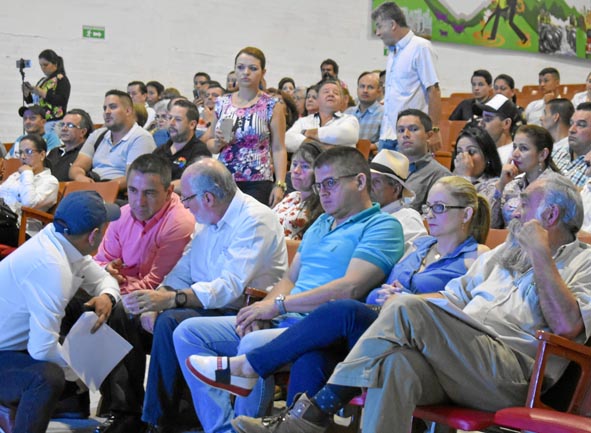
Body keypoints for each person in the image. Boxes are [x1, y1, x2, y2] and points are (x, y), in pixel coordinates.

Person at [229, 173, 591, 433]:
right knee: (395, 366)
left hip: (514, 373)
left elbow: (568, 327)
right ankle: (308, 416)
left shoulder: (583, 261)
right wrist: (403, 302)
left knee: (404, 308)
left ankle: (310, 414)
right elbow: (452, 298)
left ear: (551, 216)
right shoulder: (501, 255)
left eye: (525, 203)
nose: (514, 209)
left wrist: (541, 253)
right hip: (460, 360)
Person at [184, 175, 490, 427]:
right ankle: (293, 425)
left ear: (466, 214)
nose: (429, 215)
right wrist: (380, 294)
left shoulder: (476, 257)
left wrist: (408, 297)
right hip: (377, 333)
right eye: (427, 207)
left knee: (341, 311)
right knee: (312, 355)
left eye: (439, 208)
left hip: (416, 340)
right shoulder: (419, 248)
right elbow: (374, 291)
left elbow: (461, 306)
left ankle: (250, 367)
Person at [172, 147, 404, 433]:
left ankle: (240, 417)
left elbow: (350, 287)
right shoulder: (321, 223)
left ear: (359, 181)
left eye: (330, 183)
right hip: (285, 316)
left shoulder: (382, 226)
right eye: (318, 185)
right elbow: (289, 279)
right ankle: (222, 428)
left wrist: (279, 305)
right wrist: (259, 309)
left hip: (321, 325)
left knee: (252, 344)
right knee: (188, 332)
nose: (322, 193)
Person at [123, 157, 286, 433]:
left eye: (186, 198)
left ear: (207, 197)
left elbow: (229, 287)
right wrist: (160, 295)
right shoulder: (207, 218)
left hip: (247, 312)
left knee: (171, 320)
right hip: (210, 304)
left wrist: (173, 300)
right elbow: (183, 270)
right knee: (127, 313)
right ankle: (128, 410)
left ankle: (157, 421)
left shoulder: (255, 220)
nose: (183, 205)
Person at [0, 191, 121, 433]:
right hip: (6, 350)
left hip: (10, 344)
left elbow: (103, 279)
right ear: (94, 235)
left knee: (70, 344)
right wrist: (81, 374)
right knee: (47, 377)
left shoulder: (59, 239)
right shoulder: (52, 268)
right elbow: (42, 349)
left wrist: (108, 296)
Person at [91, 154, 195, 433]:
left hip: (167, 300)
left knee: (117, 311)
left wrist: (113, 289)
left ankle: (126, 410)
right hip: (131, 294)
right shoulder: (122, 215)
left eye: (149, 193)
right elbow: (101, 262)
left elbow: (157, 282)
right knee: (81, 305)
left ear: (169, 191)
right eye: (133, 191)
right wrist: (108, 277)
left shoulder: (179, 223)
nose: (139, 201)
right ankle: (74, 396)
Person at [206, 47, 287, 207]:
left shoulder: (272, 105)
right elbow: (210, 142)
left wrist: (280, 184)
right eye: (240, 67)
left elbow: (278, 148)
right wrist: (217, 143)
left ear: (263, 72)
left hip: (257, 180)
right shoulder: (222, 103)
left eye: (253, 68)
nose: (246, 72)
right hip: (224, 178)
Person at [372, 2, 442, 152]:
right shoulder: (393, 52)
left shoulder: (421, 47)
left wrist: (435, 130)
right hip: (388, 135)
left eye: (379, 26)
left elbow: (434, 90)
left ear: (392, 24)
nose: (377, 32)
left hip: (409, 137)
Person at [69, 90, 156, 193]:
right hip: (92, 189)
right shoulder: (98, 135)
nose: (107, 112)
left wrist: (101, 188)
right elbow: (77, 166)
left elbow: (132, 178)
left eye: (113, 107)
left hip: (118, 195)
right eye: (105, 108)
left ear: (128, 111)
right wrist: (80, 177)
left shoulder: (141, 138)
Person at [490, 124, 560, 228]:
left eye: (523, 148)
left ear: (542, 154)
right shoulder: (511, 185)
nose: (515, 154)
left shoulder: (556, 187)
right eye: (514, 147)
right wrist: (501, 185)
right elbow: (492, 225)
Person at [0, 134, 59, 245]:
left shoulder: (50, 181)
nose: (22, 157)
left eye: (28, 152)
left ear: (42, 155)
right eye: (20, 152)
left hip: (23, 231)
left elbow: (28, 203)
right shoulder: (16, 176)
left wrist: (27, 173)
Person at [369, 149, 426, 249]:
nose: (368, 187)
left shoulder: (409, 220)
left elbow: (414, 260)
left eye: (376, 182)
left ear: (396, 189)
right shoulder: (363, 213)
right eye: (368, 180)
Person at [395, 109, 451, 212]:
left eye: (413, 129)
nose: (405, 135)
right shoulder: (387, 168)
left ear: (429, 135)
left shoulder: (440, 175)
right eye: (401, 130)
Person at [286, 79, 359, 153]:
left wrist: (309, 133)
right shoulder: (303, 121)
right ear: (318, 99)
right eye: (326, 92)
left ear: (341, 100)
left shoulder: (350, 119)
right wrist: (320, 146)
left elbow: (344, 133)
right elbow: (287, 139)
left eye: (336, 93)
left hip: (338, 163)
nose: (331, 94)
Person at [153, 99, 211, 192]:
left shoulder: (200, 151)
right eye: (170, 118)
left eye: (178, 119)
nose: (171, 123)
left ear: (192, 124)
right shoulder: (160, 151)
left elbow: (193, 181)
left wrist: (156, 188)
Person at [273, 142, 324, 240]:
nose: (296, 170)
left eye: (305, 166)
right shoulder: (291, 196)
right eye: (295, 164)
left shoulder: (323, 204)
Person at [21, 49, 71, 133]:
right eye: (41, 65)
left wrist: (42, 92)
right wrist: (27, 94)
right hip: (40, 120)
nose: (43, 68)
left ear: (55, 64)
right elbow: (34, 102)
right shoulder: (43, 80)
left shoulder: (61, 79)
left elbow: (62, 100)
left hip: (53, 121)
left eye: (46, 65)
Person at [451, 125, 502, 204]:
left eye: (471, 152)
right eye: (459, 152)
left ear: (487, 156)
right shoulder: (450, 182)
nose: (464, 158)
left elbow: (469, 211)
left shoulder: (495, 186)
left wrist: (465, 176)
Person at [47, 109, 94, 181]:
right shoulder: (54, 152)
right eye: (62, 124)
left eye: (70, 125)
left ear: (83, 132)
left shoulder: (86, 154)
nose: (64, 129)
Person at [552, 102, 591, 187]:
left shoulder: (589, 165)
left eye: (581, 125)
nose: (571, 130)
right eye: (571, 123)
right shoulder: (557, 153)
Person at [345, 71, 384, 150]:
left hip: (371, 158)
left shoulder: (384, 114)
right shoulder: (348, 113)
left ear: (378, 91)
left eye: (370, 87)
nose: (365, 90)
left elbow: (387, 141)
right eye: (362, 86)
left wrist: (369, 147)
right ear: (357, 89)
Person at [479, 94, 521, 164]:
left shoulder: (515, 156)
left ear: (506, 123)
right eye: (481, 118)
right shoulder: (479, 150)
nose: (480, 123)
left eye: (487, 119)